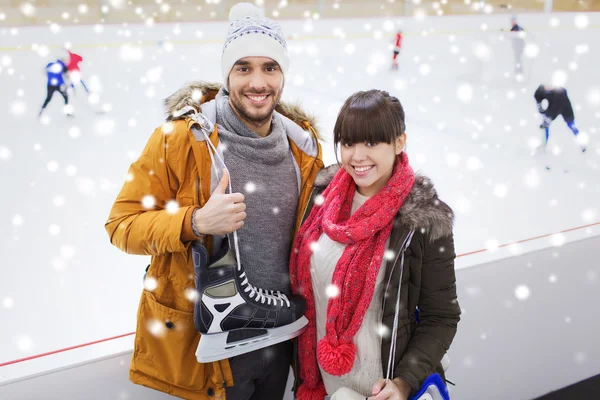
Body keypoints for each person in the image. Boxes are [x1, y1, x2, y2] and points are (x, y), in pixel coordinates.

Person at [105, 2, 323, 399]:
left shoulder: (303, 149)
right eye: (244, 68)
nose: (258, 82)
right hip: (212, 349)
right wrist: (195, 222)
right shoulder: (181, 140)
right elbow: (121, 225)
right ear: (227, 74)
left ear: (283, 75)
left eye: (270, 68)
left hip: (283, 335)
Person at [290, 90, 461, 400]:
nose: (357, 156)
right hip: (322, 386)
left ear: (399, 142)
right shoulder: (322, 199)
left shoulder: (423, 220)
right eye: (348, 142)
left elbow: (441, 318)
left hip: (380, 391)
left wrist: (404, 382)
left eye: (371, 143)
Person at [534, 84, 586, 153]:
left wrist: (548, 119)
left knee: (571, 125)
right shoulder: (545, 90)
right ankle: (544, 145)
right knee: (546, 126)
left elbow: (556, 108)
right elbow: (538, 95)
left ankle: (581, 143)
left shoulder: (560, 93)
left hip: (565, 108)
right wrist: (539, 106)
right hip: (553, 106)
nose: (548, 87)